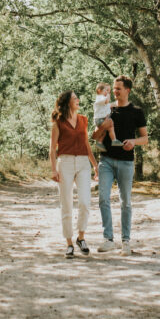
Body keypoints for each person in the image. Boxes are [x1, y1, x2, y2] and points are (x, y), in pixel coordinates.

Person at [92, 75, 147, 255]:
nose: (114, 91)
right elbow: (94, 136)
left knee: (126, 202)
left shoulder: (137, 112)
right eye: (114, 88)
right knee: (103, 198)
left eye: (118, 89)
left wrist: (133, 141)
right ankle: (108, 239)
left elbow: (145, 138)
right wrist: (102, 127)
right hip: (106, 159)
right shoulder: (107, 108)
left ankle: (125, 241)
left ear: (127, 90)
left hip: (126, 161)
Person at [49, 91, 99, 258]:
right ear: (68, 102)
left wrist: (95, 165)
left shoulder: (83, 120)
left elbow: (86, 144)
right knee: (67, 204)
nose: (78, 100)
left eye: (78, 97)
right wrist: (54, 169)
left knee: (85, 202)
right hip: (66, 163)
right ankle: (69, 243)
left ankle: (81, 237)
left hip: (84, 163)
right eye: (75, 98)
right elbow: (52, 148)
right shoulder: (58, 122)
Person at [92, 82, 121, 151]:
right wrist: (108, 95)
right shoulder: (99, 98)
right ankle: (114, 140)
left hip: (102, 119)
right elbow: (107, 101)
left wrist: (117, 103)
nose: (108, 92)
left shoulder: (103, 100)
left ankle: (99, 142)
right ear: (99, 90)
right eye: (106, 90)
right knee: (110, 125)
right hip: (100, 119)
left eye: (109, 91)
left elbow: (110, 105)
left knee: (104, 132)